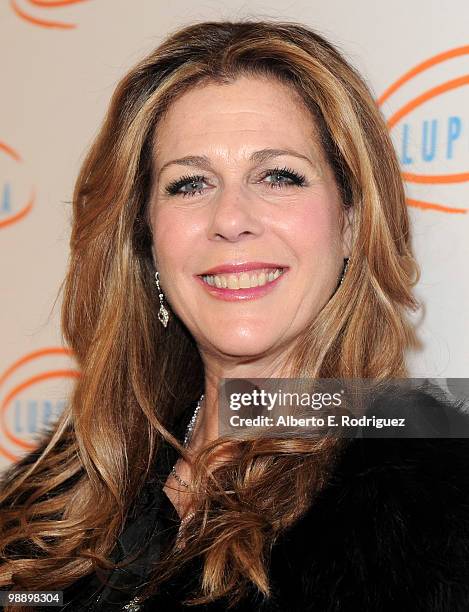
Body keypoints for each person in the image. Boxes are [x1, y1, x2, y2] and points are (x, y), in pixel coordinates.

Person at [1, 19, 468, 612]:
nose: (230, 217)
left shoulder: (439, 506)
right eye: (190, 183)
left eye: (279, 176)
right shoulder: (62, 486)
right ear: (145, 237)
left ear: (352, 221)